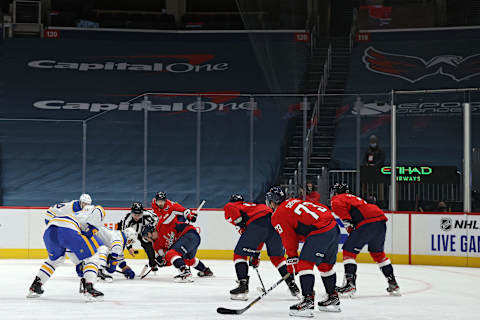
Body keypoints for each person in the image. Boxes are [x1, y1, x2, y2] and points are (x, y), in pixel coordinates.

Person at [267, 186, 341, 317]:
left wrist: (292, 257)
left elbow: (289, 237)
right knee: (325, 266)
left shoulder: (278, 215)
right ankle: (333, 299)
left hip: (320, 231)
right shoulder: (294, 201)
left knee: (304, 264)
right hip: (333, 227)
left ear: (272, 202)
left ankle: (307, 301)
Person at [223, 193, 300, 300]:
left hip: (258, 224)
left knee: (239, 255)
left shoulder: (232, 205)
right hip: (274, 223)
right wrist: (255, 254)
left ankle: (242, 287)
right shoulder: (253, 206)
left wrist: (240, 223)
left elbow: (230, 209)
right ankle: (292, 285)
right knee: (277, 258)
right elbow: (260, 238)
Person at [330, 182, 400, 297]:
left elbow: (347, 221)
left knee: (349, 252)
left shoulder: (337, 199)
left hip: (366, 222)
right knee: (378, 254)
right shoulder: (354, 198)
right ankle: (393, 283)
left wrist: (351, 230)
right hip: (380, 221)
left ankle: (350, 285)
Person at [27, 205, 106, 301]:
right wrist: (92, 228)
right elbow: (99, 209)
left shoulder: (75, 215)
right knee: (92, 257)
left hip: (50, 231)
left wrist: (80, 264)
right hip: (68, 230)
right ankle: (89, 288)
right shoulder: (91, 212)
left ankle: (36, 285)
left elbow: (71, 249)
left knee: (55, 260)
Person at [141, 206, 213, 282]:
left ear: (150, 231)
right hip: (192, 241)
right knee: (188, 260)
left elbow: (173, 210)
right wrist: (162, 262)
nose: (147, 239)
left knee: (171, 253)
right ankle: (206, 271)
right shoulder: (156, 246)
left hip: (189, 234)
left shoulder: (162, 224)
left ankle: (185, 273)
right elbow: (168, 258)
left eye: (147, 236)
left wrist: (188, 213)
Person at [116, 202, 159, 272]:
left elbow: (157, 219)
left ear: (142, 213)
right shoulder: (127, 220)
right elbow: (125, 236)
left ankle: (152, 263)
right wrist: (129, 247)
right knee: (119, 244)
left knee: (148, 245)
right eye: (134, 214)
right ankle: (113, 261)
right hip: (131, 232)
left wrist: (150, 227)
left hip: (143, 231)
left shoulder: (147, 215)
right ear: (131, 213)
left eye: (139, 215)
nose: (136, 217)